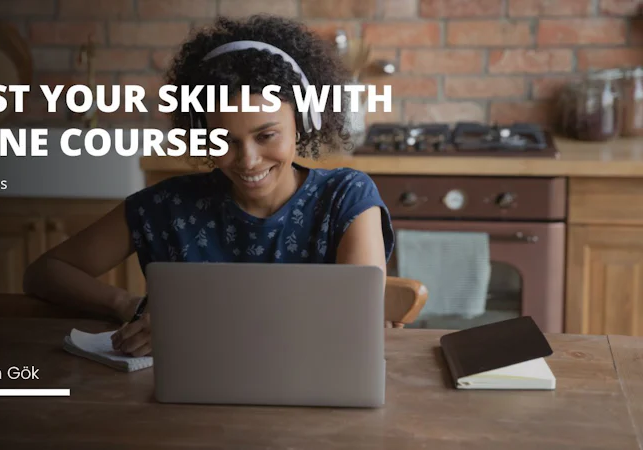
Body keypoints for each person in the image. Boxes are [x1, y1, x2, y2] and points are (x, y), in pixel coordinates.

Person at [23, 15, 396, 358]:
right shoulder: (168, 205)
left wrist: (198, 325)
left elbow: (355, 316)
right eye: (225, 140)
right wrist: (131, 306)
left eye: (266, 135)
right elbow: (45, 272)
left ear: (303, 121)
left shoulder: (347, 198)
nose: (247, 160)